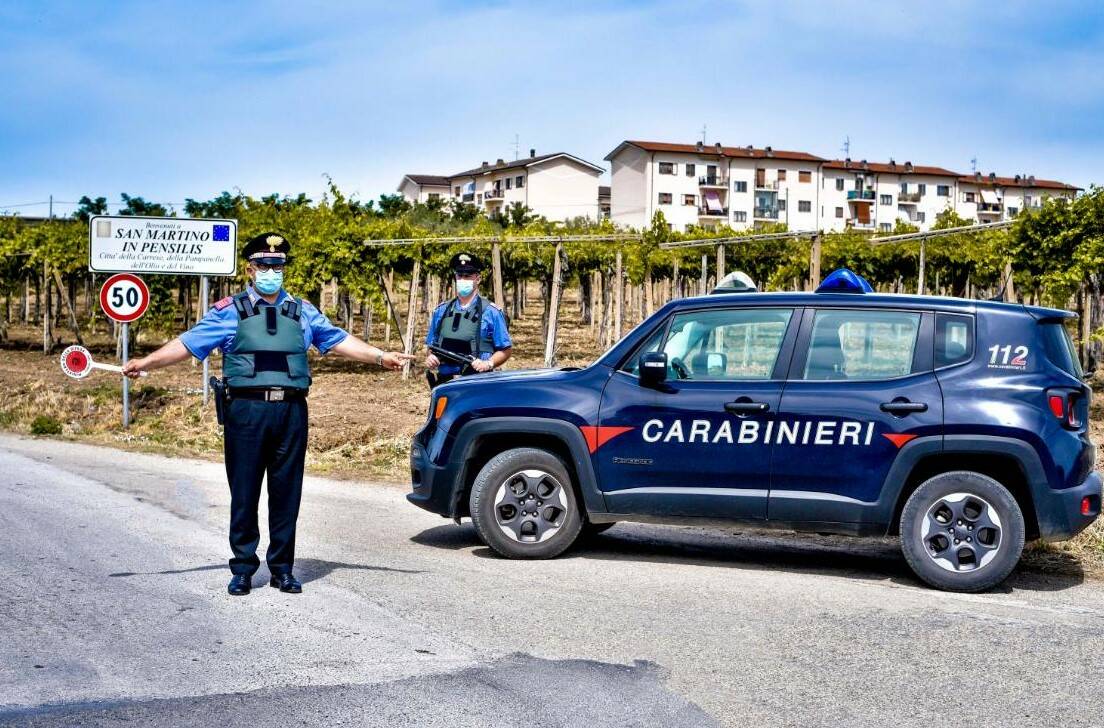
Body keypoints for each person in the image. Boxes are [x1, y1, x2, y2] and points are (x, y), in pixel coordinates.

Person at [122, 232, 413, 596]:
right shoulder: (229, 311)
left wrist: (379, 356)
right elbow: (187, 343)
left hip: (291, 410)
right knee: (244, 492)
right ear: (250, 269)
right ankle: (243, 568)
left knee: (286, 493)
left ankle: (282, 569)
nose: (271, 271)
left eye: (277, 266)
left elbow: (337, 339)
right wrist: (146, 362)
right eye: (264, 265)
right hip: (246, 410)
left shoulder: (302, 311)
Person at [424, 252, 512, 387]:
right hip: (446, 383)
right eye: (459, 276)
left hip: (477, 383)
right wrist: (431, 358)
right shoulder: (441, 311)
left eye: (468, 276)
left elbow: (505, 350)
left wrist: (488, 363)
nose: (462, 280)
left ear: (478, 279)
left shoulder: (491, 312)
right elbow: (432, 346)